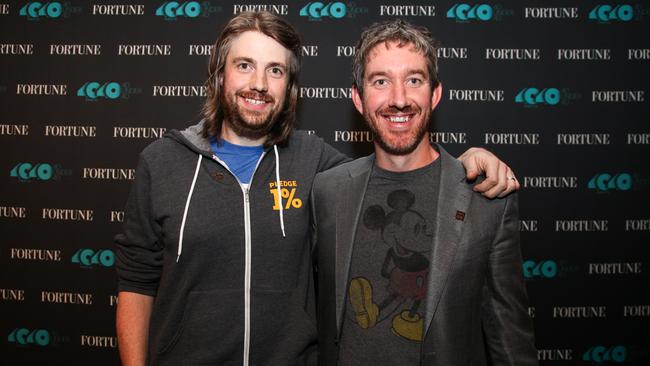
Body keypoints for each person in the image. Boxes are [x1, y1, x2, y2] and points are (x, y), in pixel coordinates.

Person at [115, 12, 521, 366]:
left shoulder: (316, 165)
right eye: (244, 66)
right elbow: (136, 281)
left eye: (275, 70)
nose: (259, 83)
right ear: (220, 74)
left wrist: (470, 160)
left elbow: (400, 168)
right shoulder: (162, 161)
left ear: (289, 86)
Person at [311, 19, 537, 366]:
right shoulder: (326, 192)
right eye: (381, 81)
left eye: (413, 80)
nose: (399, 99)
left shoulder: (486, 196)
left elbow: (509, 339)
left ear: (435, 94)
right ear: (358, 98)